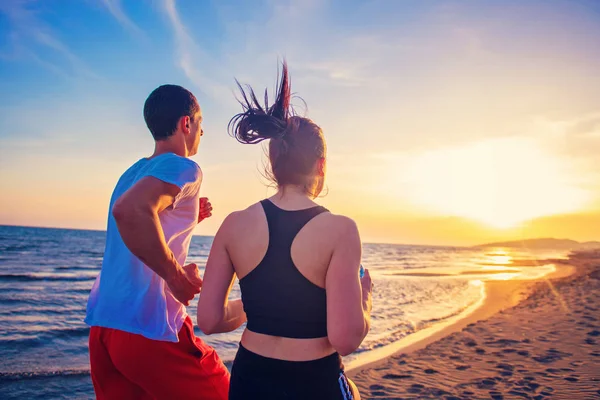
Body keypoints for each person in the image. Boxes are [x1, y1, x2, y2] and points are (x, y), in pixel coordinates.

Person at [197, 63, 373, 399]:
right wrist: (364, 298)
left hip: (250, 378)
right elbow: (346, 339)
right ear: (321, 166)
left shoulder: (234, 224)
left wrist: (257, 304)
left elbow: (210, 319)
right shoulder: (340, 230)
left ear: (272, 161)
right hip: (312, 381)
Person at [85, 84, 230, 400]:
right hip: (148, 329)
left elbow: (132, 222)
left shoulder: (132, 173)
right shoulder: (184, 166)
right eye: (200, 124)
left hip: (105, 330)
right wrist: (176, 278)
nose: (202, 134)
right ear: (185, 124)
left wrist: (189, 217)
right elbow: (130, 211)